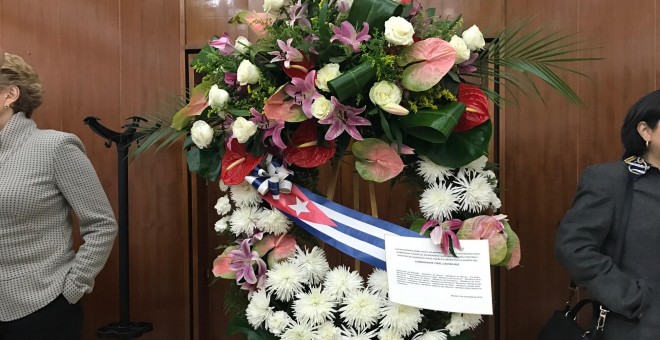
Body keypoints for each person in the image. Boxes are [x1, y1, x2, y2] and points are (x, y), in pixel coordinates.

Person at [0, 52, 117, 339]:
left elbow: (102, 224)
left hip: (41, 310)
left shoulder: (55, 147)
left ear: (9, 95)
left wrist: (72, 288)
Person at [555, 90, 660, 339]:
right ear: (646, 131)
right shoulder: (612, 180)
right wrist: (631, 298)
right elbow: (573, 246)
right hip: (637, 327)